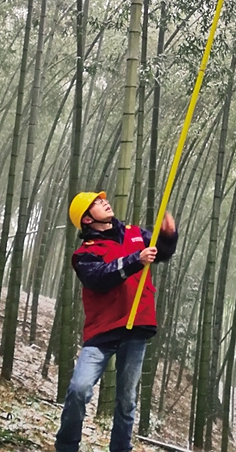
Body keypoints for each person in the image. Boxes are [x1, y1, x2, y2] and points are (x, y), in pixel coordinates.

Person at [55, 191, 178, 452]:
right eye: (96, 203)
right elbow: (99, 278)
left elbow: (161, 252)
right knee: (79, 389)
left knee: (127, 400)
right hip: (102, 331)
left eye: (103, 199)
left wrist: (168, 236)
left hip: (137, 327)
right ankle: (66, 446)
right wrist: (135, 260)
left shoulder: (134, 233)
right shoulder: (85, 253)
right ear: (87, 219)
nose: (104, 202)